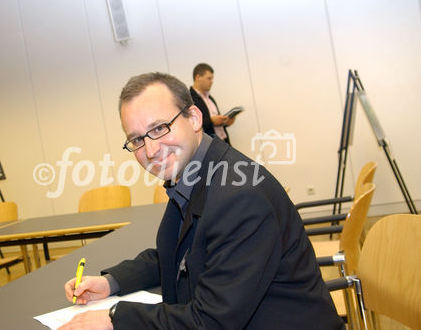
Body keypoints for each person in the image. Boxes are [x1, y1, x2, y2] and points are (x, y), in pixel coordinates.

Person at [61, 72, 344, 329]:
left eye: (159, 128)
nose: (149, 149)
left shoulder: (238, 197)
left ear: (194, 119)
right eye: (136, 139)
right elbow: (178, 254)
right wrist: (111, 282)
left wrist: (115, 319)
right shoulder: (197, 171)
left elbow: (211, 321)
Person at [190, 63, 235, 145]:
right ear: (198, 77)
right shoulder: (190, 99)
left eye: (212, 79)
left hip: (223, 142)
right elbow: (191, 125)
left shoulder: (210, 98)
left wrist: (225, 122)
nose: (211, 82)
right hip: (209, 146)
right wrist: (211, 121)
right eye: (209, 78)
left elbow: (217, 124)